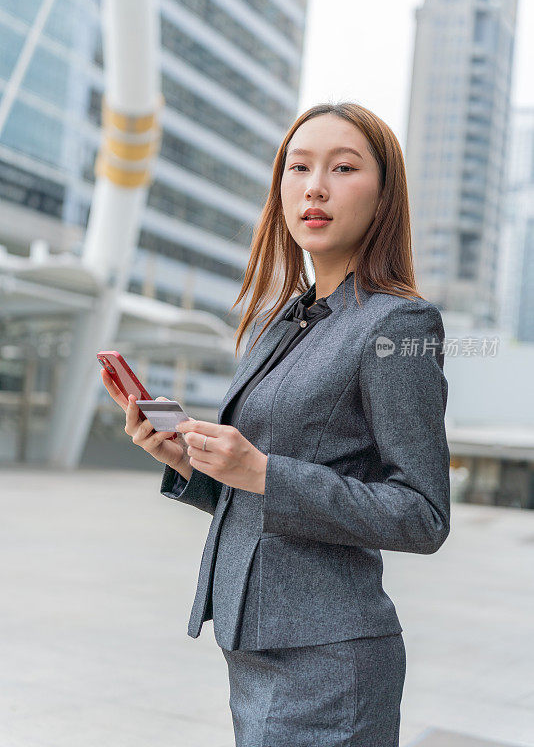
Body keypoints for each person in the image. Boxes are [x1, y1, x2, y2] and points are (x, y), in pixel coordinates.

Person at [101, 102, 451, 746]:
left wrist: (263, 471)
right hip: (254, 646)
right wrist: (188, 461)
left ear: (384, 196)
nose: (314, 185)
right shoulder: (280, 321)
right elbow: (261, 498)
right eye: (298, 166)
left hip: (332, 661)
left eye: (343, 167)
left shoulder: (398, 325)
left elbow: (423, 514)